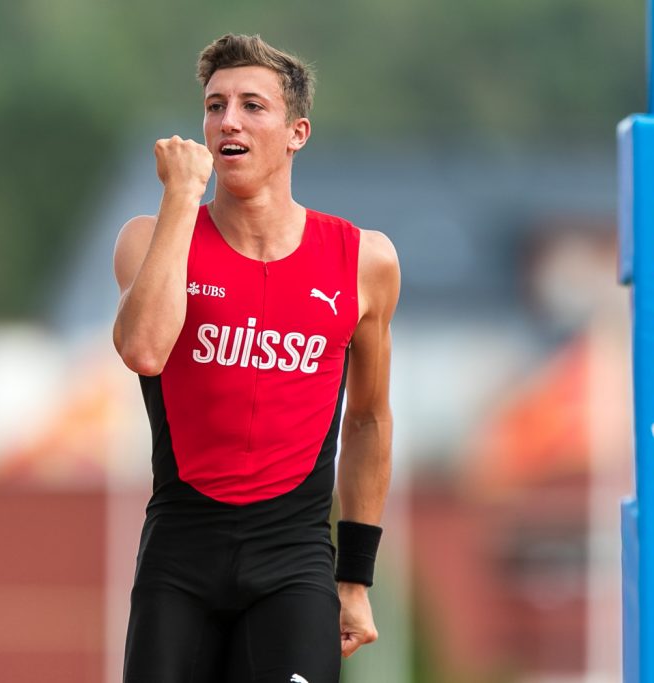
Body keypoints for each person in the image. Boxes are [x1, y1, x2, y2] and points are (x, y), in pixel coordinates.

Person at [112, 33, 400, 683]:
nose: (228, 121)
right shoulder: (150, 239)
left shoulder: (365, 260)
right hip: (178, 563)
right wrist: (181, 199)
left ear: (297, 131)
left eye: (251, 105)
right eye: (214, 107)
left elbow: (369, 421)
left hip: (292, 566)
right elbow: (144, 348)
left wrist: (354, 576)